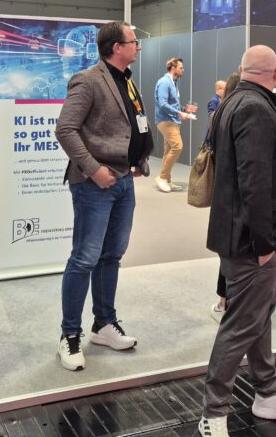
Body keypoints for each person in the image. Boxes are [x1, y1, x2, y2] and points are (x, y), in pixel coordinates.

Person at [199, 46, 276, 437]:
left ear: (241, 69)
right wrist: (265, 243)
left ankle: (268, 391)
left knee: (257, 316)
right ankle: (213, 412)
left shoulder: (234, 102)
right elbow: (254, 181)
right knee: (242, 324)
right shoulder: (255, 108)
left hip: (243, 236)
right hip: (252, 241)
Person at [55, 21, 153, 372]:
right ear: (116, 47)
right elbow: (65, 129)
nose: (138, 46)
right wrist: (94, 169)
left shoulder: (126, 80)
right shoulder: (88, 80)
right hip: (94, 184)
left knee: (112, 255)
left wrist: (138, 160)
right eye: (133, 41)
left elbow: (133, 125)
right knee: (84, 258)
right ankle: (69, 334)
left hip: (124, 181)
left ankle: (104, 324)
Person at [208, 71, 239, 323]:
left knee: (227, 253)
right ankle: (227, 301)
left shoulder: (220, 114)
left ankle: (224, 300)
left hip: (223, 193)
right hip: (236, 195)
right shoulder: (236, 114)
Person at [154, 57, 190, 193]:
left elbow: (172, 103)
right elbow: (163, 104)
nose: (183, 70)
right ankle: (162, 177)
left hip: (172, 120)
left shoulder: (173, 82)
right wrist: (179, 113)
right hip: (166, 120)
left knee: (168, 150)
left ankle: (167, 180)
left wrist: (184, 109)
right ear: (173, 68)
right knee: (177, 146)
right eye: (181, 68)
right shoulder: (164, 82)